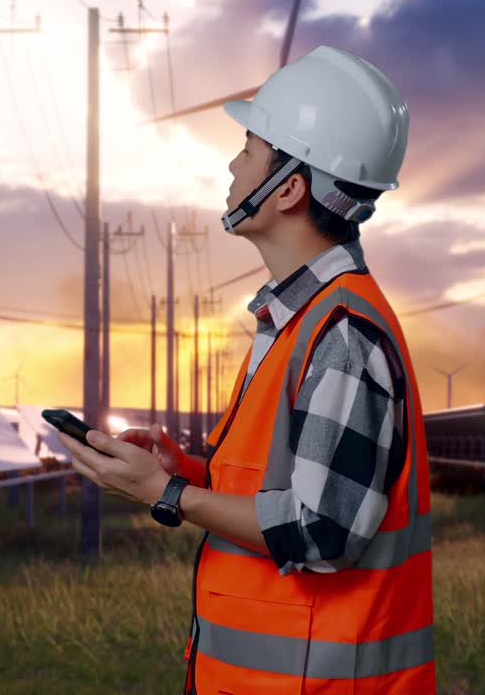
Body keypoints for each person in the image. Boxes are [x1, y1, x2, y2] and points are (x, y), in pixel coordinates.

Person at [60, 45, 434, 693]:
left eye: (248, 149)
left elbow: (322, 531)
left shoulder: (341, 335)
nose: (233, 166)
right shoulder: (299, 319)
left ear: (288, 188)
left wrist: (166, 494)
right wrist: (187, 470)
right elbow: (287, 488)